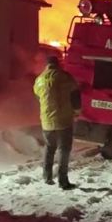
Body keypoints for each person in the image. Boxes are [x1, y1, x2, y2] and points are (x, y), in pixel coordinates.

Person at [33, 56, 80, 189]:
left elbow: (38, 97)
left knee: (49, 148)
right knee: (64, 150)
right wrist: (76, 111)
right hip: (63, 121)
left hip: (47, 122)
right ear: (58, 64)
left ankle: (47, 177)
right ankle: (63, 181)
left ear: (46, 65)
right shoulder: (65, 77)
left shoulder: (39, 80)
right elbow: (75, 95)